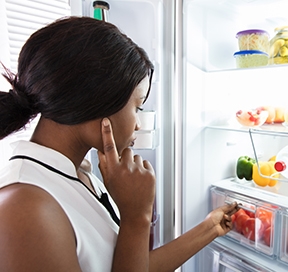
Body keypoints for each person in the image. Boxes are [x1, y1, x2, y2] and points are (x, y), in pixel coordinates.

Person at [0, 16, 239, 271]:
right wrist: (136, 217)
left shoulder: (75, 173)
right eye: (137, 106)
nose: (138, 124)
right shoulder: (26, 209)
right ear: (96, 99)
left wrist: (210, 227)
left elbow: (129, 265)